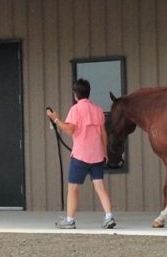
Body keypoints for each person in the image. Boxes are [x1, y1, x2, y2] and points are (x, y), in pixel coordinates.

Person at [45, 78, 115, 229]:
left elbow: (70, 130)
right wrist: (105, 151)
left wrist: (55, 119)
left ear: (75, 94)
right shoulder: (98, 109)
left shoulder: (75, 110)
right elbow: (103, 133)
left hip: (80, 155)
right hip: (97, 154)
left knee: (73, 188)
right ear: (88, 93)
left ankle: (70, 220)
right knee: (100, 186)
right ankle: (109, 216)